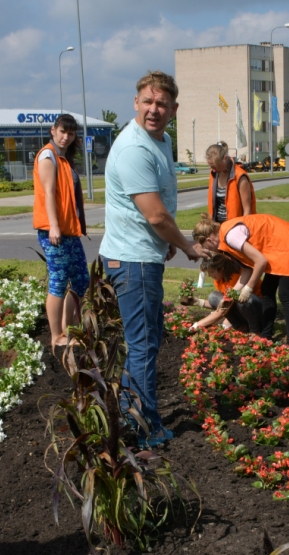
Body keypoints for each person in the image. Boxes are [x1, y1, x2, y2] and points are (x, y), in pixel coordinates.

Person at [100, 70, 202, 449]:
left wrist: (166, 243)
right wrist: (187, 245)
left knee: (147, 340)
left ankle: (132, 412)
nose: (154, 110)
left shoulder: (161, 140)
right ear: (136, 103)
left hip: (144, 255)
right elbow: (156, 215)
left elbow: (158, 212)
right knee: (142, 345)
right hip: (133, 263)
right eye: (148, 102)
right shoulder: (134, 149)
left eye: (161, 104)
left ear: (174, 108)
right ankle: (145, 429)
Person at [192, 213, 289, 347]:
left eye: (207, 247)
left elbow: (260, 261)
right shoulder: (224, 239)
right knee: (267, 290)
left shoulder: (231, 237)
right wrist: (230, 296)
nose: (210, 250)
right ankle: (266, 336)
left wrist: (248, 288)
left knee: (285, 294)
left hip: (288, 240)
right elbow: (247, 269)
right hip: (275, 246)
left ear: (210, 240)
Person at [33, 113, 88, 348]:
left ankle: (69, 329)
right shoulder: (48, 156)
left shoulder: (64, 159)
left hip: (69, 231)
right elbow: (47, 194)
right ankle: (56, 336)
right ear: (52, 131)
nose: (66, 137)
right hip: (54, 231)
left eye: (71, 133)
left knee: (81, 279)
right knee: (57, 281)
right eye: (62, 131)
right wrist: (54, 226)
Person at [188, 252, 263, 334]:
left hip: (258, 310)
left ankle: (255, 330)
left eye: (212, 271)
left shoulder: (236, 277)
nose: (209, 275)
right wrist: (198, 302)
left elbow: (223, 309)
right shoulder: (218, 280)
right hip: (242, 309)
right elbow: (222, 303)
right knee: (213, 297)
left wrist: (197, 325)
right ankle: (241, 327)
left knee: (241, 299)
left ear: (221, 269)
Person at [205, 142, 255, 223]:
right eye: (211, 166)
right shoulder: (214, 173)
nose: (213, 169)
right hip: (217, 227)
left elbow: (247, 210)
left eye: (215, 166)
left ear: (225, 158)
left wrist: (242, 230)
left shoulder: (240, 177)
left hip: (235, 228)